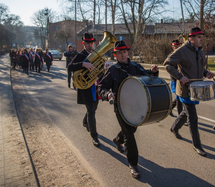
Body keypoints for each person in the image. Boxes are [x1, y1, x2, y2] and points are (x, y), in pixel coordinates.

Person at [98, 40, 158, 179]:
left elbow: (149, 78)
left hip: (136, 106)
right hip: (121, 107)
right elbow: (101, 87)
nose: (123, 55)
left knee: (132, 129)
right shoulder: (112, 70)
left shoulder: (136, 67)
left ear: (128, 52)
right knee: (130, 135)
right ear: (116, 55)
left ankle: (118, 140)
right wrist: (108, 94)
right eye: (119, 53)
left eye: (124, 52)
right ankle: (133, 164)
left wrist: (154, 72)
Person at [164, 27, 215, 157]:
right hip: (186, 89)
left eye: (202, 37)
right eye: (199, 37)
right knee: (193, 117)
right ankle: (197, 145)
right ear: (191, 39)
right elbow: (167, 64)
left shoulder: (201, 51)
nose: (202, 39)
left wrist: (206, 73)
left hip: (197, 88)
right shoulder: (182, 51)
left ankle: (174, 127)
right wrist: (180, 77)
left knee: (186, 113)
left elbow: (200, 68)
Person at [68, 33, 101, 147]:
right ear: (83, 43)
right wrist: (83, 64)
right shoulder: (81, 55)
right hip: (86, 87)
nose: (89, 45)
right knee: (91, 111)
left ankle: (85, 121)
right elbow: (70, 67)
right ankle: (94, 136)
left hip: (95, 87)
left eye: (91, 43)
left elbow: (99, 69)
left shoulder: (96, 54)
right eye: (87, 43)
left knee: (94, 108)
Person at [169, 39, 183, 117]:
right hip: (174, 79)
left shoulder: (182, 54)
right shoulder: (171, 56)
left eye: (178, 45)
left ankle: (169, 108)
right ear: (172, 47)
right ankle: (180, 116)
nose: (177, 47)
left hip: (181, 80)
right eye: (175, 46)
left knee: (179, 97)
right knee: (179, 98)